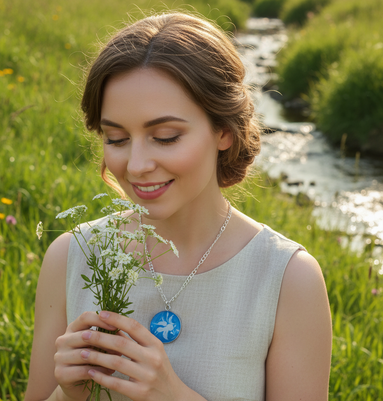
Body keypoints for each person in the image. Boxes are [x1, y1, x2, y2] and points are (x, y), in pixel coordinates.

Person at [24, 12, 332, 401]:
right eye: (116, 138)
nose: (135, 166)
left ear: (223, 130)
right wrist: (70, 394)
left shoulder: (287, 279)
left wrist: (171, 395)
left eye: (166, 137)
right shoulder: (71, 257)